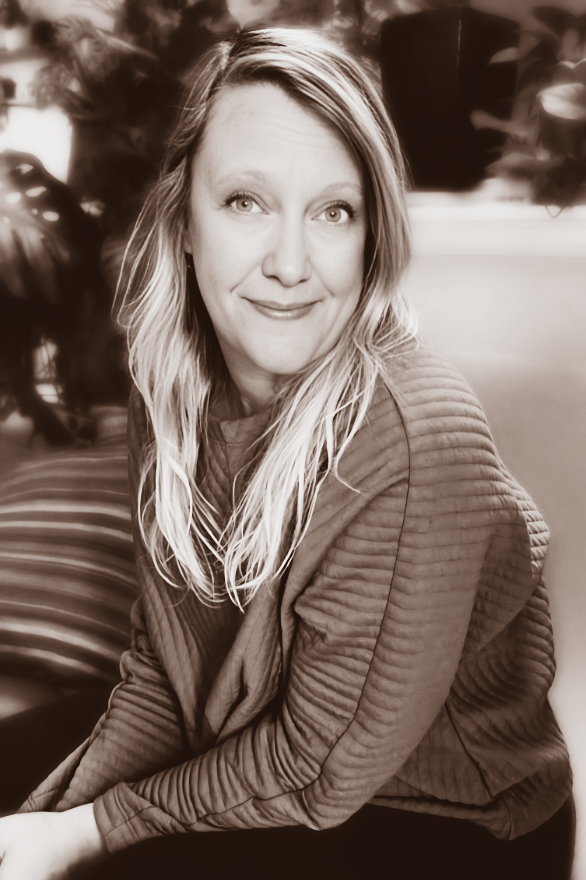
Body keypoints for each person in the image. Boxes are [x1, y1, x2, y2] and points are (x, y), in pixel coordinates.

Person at [0, 26, 574, 880]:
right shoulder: (176, 386)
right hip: (246, 739)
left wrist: (89, 832)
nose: (291, 264)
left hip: (441, 816)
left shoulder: (415, 436)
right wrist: (45, 820)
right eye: (246, 202)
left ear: (370, 236)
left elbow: (321, 765)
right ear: (183, 219)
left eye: (333, 212)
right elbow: (168, 665)